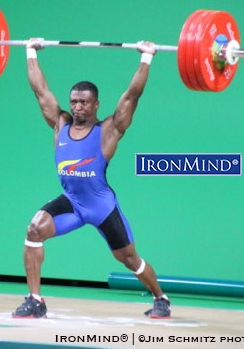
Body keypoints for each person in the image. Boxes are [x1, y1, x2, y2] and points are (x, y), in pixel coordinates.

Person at [12, 39, 171, 319]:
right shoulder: (60, 124)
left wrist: (146, 57)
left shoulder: (108, 130)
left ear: (96, 104)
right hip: (72, 203)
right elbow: (40, 90)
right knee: (34, 230)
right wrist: (30, 51)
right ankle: (35, 300)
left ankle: (161, 298)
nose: (78, 107)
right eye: (74, 101)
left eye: (84, 102)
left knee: (129, 259)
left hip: (101, 207)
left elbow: (132, 96)